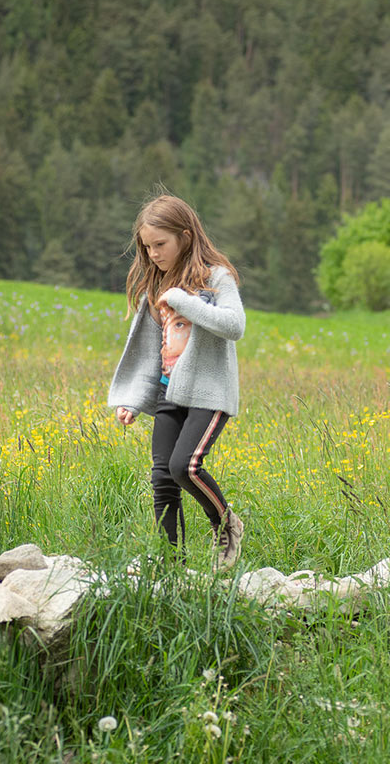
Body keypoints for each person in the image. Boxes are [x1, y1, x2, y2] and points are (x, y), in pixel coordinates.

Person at [108, 193, 245, 571]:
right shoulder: (159, 286)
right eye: (146, 247)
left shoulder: (216, 277)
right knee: (162, 477)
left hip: (208, 393)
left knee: (186, 466)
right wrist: (135, 399)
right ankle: (171, 567)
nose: (152, 253)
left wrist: (184, 302)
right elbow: (153, 353)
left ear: (185, 236)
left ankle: (226, 525)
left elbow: (234, 326)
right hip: (171, 392)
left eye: (160, 245)